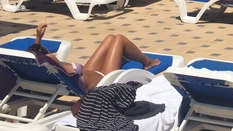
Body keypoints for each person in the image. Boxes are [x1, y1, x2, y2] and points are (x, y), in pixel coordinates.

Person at [26, 23, 160, 90]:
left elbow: (36, 54)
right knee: (119, 39)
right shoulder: (54, 65)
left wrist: (38, 38)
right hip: (103, 80)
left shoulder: (41, 68)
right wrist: (40, 45)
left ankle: (120, 58)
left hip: (89, 72)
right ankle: (148, 62)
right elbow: (46, 57)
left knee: (110, 38)